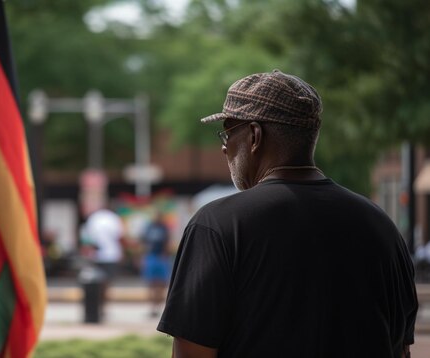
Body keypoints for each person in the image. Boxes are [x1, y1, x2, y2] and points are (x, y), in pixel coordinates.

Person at [157, 70, 418, 358]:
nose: (224, 147)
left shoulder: (218, 225)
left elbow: (192, 353)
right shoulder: (381, 226)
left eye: (228, 133)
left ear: (255, 136)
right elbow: (401, 350)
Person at [83, 208, 125, 313]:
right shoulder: (113, 218)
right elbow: (120, 237)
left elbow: (87, 238)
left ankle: (98, 305)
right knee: (106, 283)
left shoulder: (94, 218)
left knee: (96, 282)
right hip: (111, 255)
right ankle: (102, 306)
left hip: (98, 255)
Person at [141, 210, 171, 318]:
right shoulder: (149, 228)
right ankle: (152, 307)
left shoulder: (164, 228)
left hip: (161, 257)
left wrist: (165, 255)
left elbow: (168, 242)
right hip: (151, 257)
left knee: (162, 283)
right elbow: (144, 243)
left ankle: (158, 306)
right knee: (151, 283)